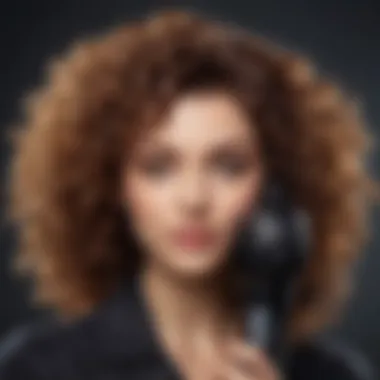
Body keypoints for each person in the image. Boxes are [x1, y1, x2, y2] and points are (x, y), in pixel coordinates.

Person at [0, 9, 377, 380]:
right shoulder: (40, 369)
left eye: (228, 166)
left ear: (275, 187)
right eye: (159, 167)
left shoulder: (333, 374)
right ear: (113, 184)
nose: (194, 199)